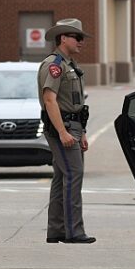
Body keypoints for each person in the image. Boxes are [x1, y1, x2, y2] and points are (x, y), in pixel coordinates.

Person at [38, 18, 95, 244]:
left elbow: (75, 104)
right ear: (63, 38)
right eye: (77, 38)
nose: (82, 42)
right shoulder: (54, 65)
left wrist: (83, 133)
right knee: (74, 175)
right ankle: (74, 231)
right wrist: (62, 132)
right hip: (63, 128)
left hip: (74, 127)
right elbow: (50, 100)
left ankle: (56, 230)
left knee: (62, 176)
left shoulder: (69, 65)